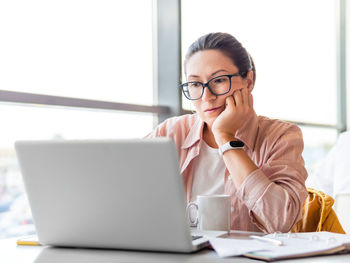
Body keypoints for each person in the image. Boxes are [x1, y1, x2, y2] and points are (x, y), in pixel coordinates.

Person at [147, 32, 308, 233]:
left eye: (219, 80)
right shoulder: (171, 132)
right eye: (196, 84)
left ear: (248, 82)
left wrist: (225, 137)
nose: (207, 96)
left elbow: (280, 222)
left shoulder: (281, 136)